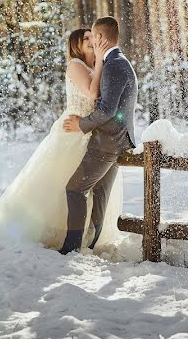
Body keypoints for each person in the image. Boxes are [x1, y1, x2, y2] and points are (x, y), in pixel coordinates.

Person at [0, 25, 124, 250]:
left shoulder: (96, 66)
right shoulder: (76, 65)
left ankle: (88, 236)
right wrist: (102, 62)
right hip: (72, 132)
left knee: (91, 189)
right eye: (86, 39)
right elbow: (92, 94)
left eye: (93, 37)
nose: (92, 41)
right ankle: (59, 236)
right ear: (76, 45)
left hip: (92, 132)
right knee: (62, 185)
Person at [60, 15, 138, 253]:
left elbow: (106, 109)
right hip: (114, 139)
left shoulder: (114, 64)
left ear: (101, 37)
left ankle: (71, 248)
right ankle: (90, 244)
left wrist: (81, 124)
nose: (92, 41)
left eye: (93, 36)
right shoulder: (117, 61)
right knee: (100, 193)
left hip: (107, 141)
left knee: (74, 190)